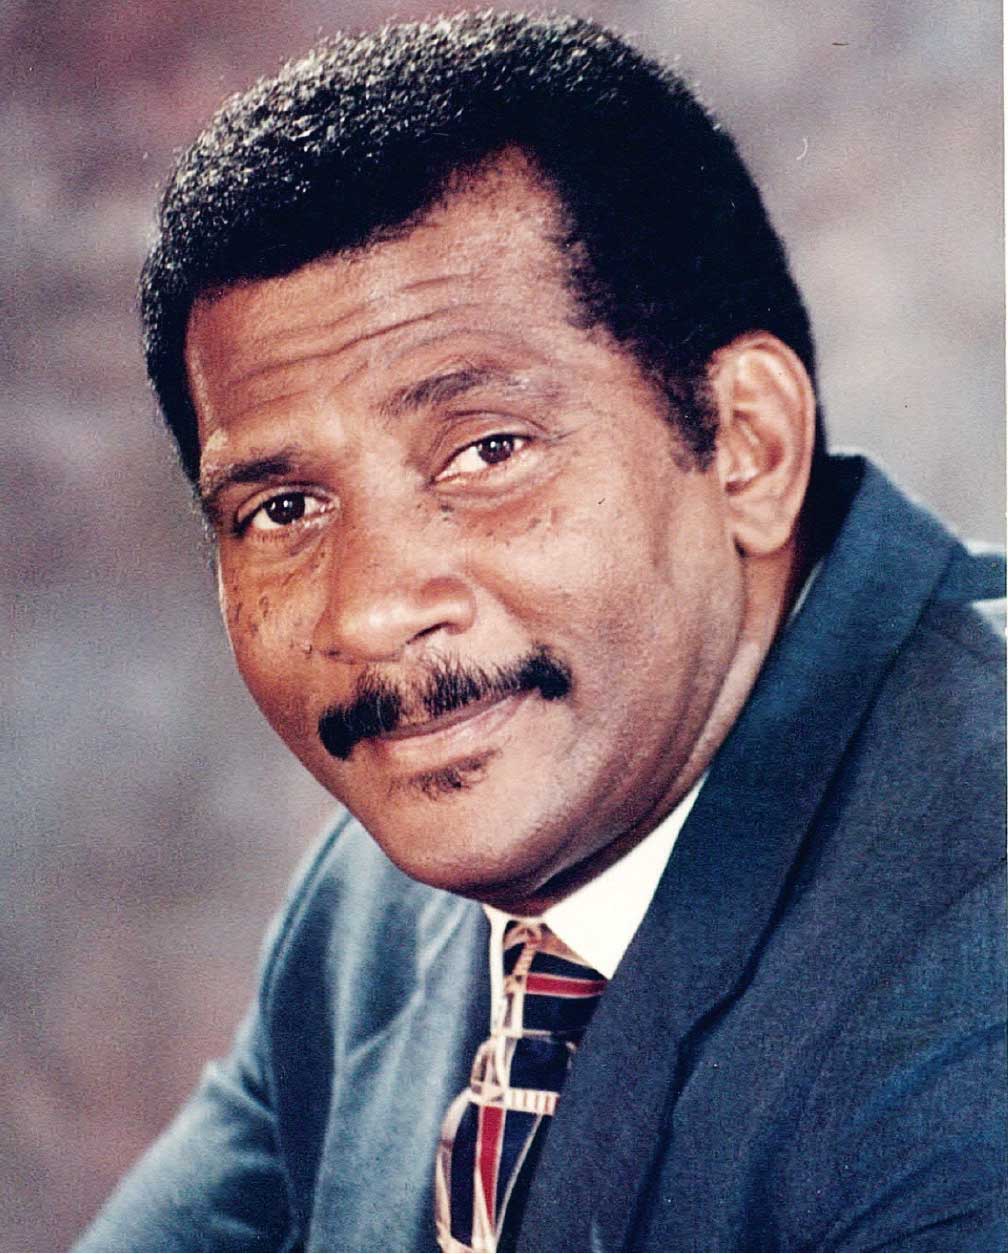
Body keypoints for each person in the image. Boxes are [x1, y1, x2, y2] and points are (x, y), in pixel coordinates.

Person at [76, 10, 1005, 1252]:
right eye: (284, 509)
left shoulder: (977, 944)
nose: (370, 610)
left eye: (487, 450)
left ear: (747, 446)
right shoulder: (370, 911)